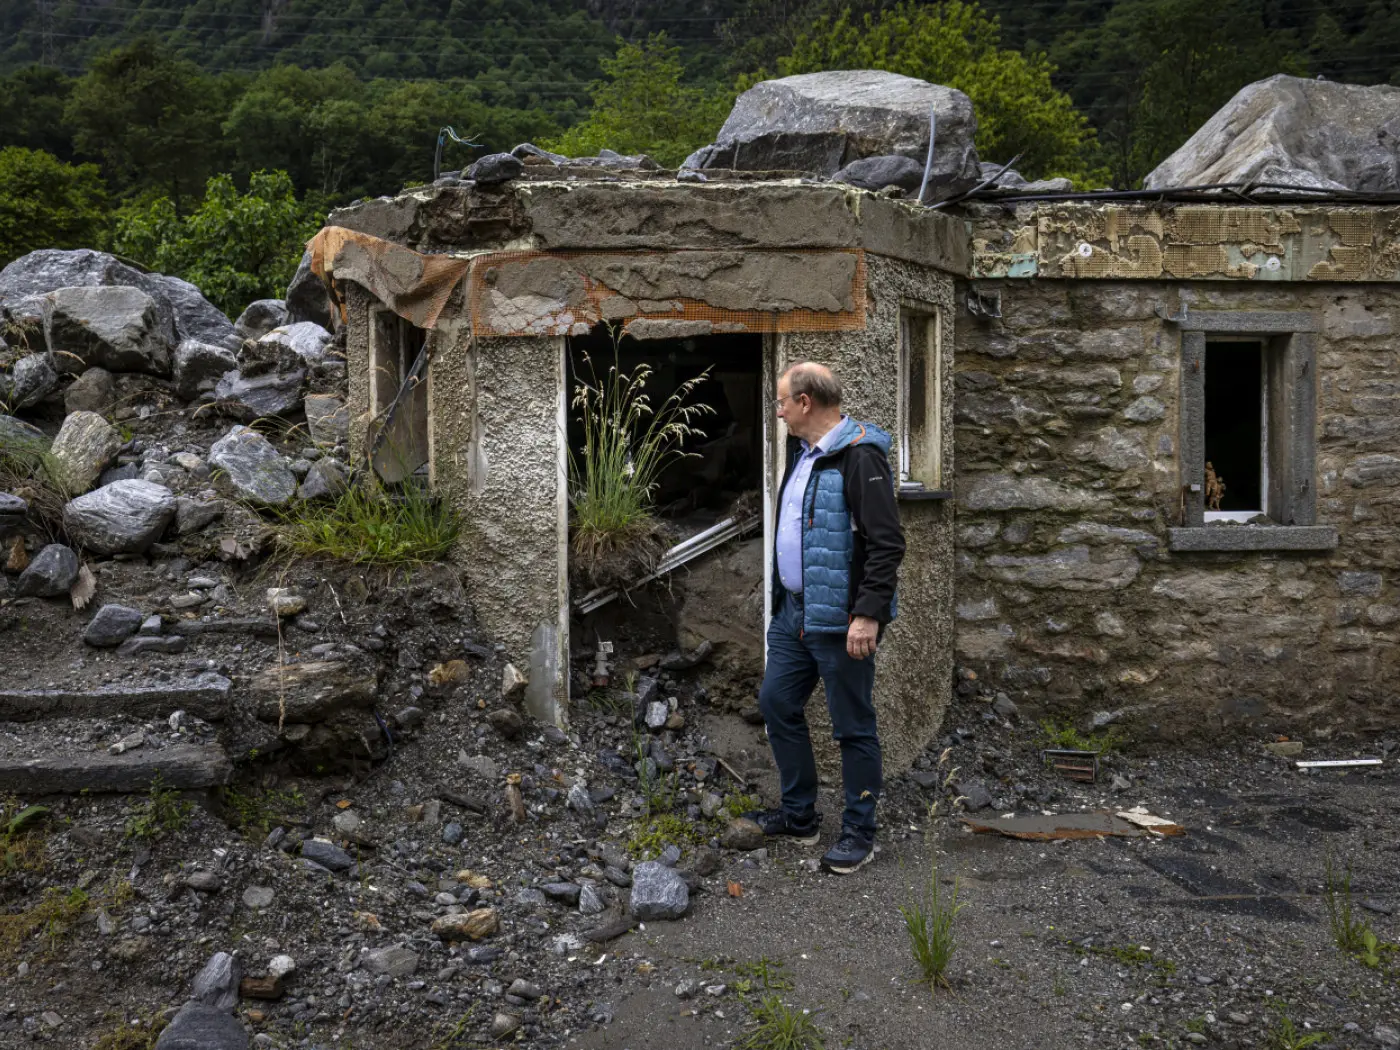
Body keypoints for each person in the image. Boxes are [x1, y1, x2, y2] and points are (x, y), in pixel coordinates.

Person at [746, 361, 905, 874]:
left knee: (853, 725)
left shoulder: (860, 456)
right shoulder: (804, 455)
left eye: (781, 401)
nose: (778, 409)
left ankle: (859, 831)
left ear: (806, 402)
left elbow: (887, 544)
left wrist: (867, 615)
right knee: (776, 703)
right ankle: (800, 817)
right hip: (795, 613)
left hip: (841, 621)